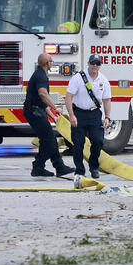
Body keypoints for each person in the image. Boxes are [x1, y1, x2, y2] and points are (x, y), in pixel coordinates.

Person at [24, 53, 75, 178]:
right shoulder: (41, 76)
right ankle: (38, 165)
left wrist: (53, 116)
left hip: (35, 110)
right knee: (50, 141)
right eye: (51, 61)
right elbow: (43, 94)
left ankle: (58, 167)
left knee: (47, 139)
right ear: (47, 63)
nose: (52, 63)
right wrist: (55, 108)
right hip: (34, 111)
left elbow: (42, 102)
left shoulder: (40, 74)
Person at [65, 54, 111, 187]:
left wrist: (107, 117)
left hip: (95, 114)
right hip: (79, 113)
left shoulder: (104, 80)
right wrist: (72, 115)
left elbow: (107, 100)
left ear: (100, 65)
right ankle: (79, 170)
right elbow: (69, 97)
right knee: (78, 144)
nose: (95, 66)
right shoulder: (78, 78)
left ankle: (94, 167)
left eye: (97, 64)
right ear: (88, 63)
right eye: (93, 63)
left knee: (98, 141)